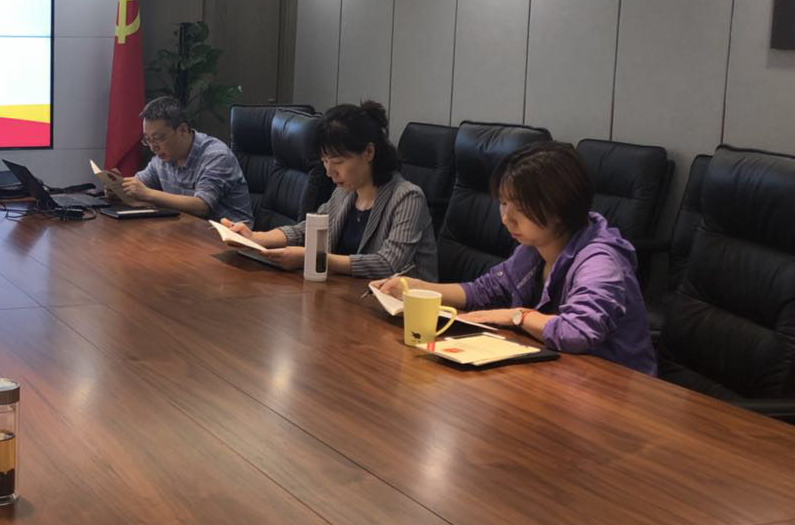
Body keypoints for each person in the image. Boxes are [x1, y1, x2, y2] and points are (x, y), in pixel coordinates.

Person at [375, 140, 657, 375]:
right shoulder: (533, 247)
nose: (506, 218)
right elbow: (484, 291)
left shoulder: (600, 261)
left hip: (617, 390)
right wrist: (416, 287)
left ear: (560, 207)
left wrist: (518, 316)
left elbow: (577, 332)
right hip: (560, 375)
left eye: (519, 208)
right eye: (503, 203)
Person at [220, 101, 437, 276]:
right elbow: (308, 230)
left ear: (369, 152)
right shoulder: (345, 192)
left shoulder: (407, 198)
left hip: (401, 310)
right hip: (348, 298)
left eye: (338, 161)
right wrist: (255, 238)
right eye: (324, 161)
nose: (329, 172)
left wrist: (315, 258)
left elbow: (388, 264)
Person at [118, 97, 253, 223]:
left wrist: (148, 194)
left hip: (230, 234)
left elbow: (201, 206)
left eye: (158, 138)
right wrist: (117, 189)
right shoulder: (163, 157)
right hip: (187, 229)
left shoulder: (216, 156)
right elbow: (138, 186)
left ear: (182, 130)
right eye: (148, 139)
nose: (153, 147)